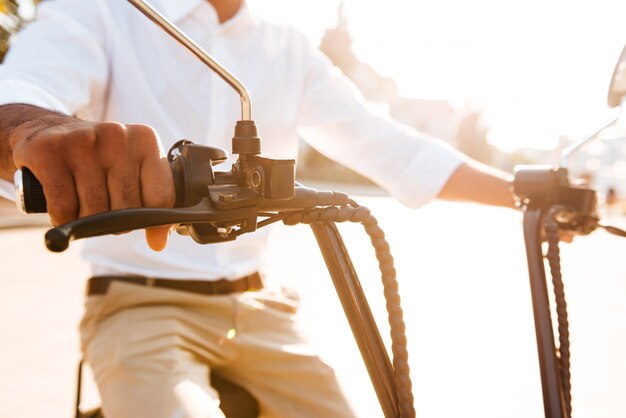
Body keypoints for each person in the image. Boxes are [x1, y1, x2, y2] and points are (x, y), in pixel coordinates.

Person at [0, 0, 516, 417]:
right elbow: (23, 88)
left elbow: (391, 146)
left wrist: (527, 194)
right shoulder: (105, 11)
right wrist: (32, 125)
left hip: (261, 308)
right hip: (141, 303)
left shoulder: (287, 47)